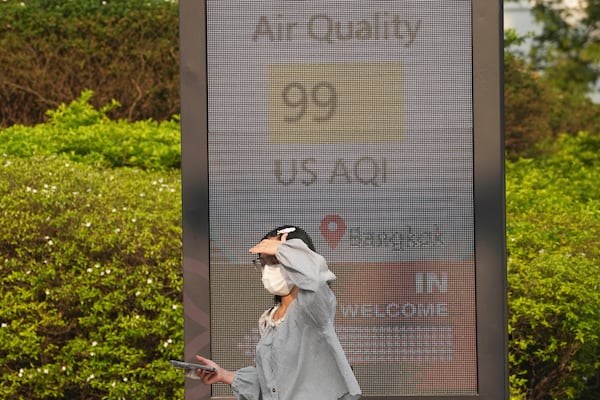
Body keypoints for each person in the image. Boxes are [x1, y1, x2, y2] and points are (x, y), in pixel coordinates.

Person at [194, 225, 361, 400]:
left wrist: (285, 249)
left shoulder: (314, 308)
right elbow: (274, 384)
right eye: (264, 262)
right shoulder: (268, 319)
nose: (268, 269)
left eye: (275, 260)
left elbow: (316, 279)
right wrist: (223, 375)